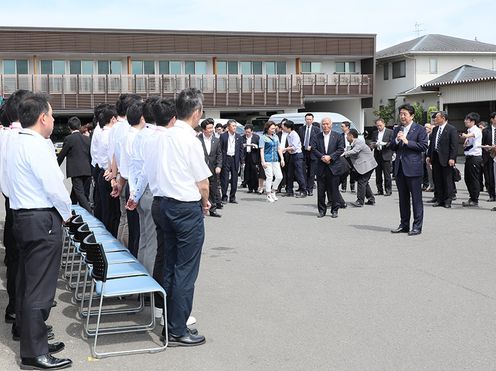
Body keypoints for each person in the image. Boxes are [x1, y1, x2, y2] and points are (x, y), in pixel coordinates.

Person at [5, 93, 72, 369]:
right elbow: (55, 186)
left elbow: (7, 185)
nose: (54, 120)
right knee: (39, 288)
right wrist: (67, 214)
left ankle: (34, 339)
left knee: (25, 283)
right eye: (53, 115)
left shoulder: (15, 142)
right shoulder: (37, 145)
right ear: (42, 117)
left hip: (21, 214)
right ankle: (35, 352)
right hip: (41, 217)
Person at [143, 88, 211, 346]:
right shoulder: (189, 140)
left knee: (170, 264)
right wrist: (205, 203)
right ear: (197, 113)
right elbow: (202, 183)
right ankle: (177, 329)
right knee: (185, 269)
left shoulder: (160, 137)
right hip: (184, 207)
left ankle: (169, 324)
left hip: (161, 204)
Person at [0, 90, 32, 329]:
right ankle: (22, 319)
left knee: (15, 263)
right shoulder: (24, 139)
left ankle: (15, 311)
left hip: (11, 204)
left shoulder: (5, 136)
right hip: (24, 206)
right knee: (23, 266)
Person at [390, 103, 428, 236]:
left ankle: (417, 226)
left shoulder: (420, 129)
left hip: (413, 168)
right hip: (400, 168)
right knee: (403, 199)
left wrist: (407, 142)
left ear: (412, 115)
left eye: (405, 114)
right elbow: (392, 146)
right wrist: (396, 140)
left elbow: (423, 146)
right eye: (401, 114)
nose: (402, 116)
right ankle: (404, 224)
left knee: (416, 199)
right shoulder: (397, 129)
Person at [311, 117, 346, 218]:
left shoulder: (338, 136)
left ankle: (335, 210)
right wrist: (322, 156)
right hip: (321, 166)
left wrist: (330, 157)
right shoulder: (317, 136)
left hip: (333, 166)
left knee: (334, 190)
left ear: (331, 125)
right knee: (321, 191)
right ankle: (322, 210)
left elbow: (340, 149)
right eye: (323, 124)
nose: (325, 126)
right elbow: (313, 148)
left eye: (327, 124)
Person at [57, 116, 92, 212]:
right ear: (80, 126)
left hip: (76, 171)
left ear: (69, 127)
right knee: (77, 193)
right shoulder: (87, 139)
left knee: (80, 194)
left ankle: (90, 213)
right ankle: (71, 211)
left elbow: (62, 155)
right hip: (87, 170)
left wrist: (55, 167)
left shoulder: (69, 139)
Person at [425, 111, 458, 208]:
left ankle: (448, 200)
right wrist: (429, 156)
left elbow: (454, 145)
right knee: (437, 180)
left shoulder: (451, 129)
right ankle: (439, 199)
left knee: (447, 180)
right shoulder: (435, 129)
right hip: (435, 158)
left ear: (443, 118)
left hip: (446, 158)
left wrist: (452, 158)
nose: (435, 119)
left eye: (437, 117)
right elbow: (432, 144)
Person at [342, 128, 377, 207]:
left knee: (362, 182)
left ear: (351, 136)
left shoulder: (358, 142)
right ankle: (371, 199)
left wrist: (344, 153)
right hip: (364, 166)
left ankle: (360, 201)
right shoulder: (354, 143)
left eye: (347, 136)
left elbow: (355, 151)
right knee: (364, 182)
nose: (346, 137)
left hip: (368, 166)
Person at [198, 118, 223, 217]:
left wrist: (219, 166)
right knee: (200, 189)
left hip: (212, 168)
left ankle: (213, 209)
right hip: (200, 169)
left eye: (212, 127)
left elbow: (219, 155)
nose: (211, 130)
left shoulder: (216, 140)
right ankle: (200, 210)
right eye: (209, 128)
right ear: (204, 129)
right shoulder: (197, 139)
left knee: (213, 189)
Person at [461, 112, 483, 207]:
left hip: (475, 157)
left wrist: (465, 136)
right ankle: (472, 197)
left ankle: (475, 199)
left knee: (474, 178)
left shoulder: (476, 130)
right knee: (467, 178)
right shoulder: (469, 130)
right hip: (469, 157)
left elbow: (472, 135)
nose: (465, 121)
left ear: (473, 121)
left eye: (467, 119)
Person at [259, 121, 284, 202]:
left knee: (279, 176)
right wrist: (263, 161)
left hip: (275, 159)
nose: (274, 130)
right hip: (267, 160)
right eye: (272, 128)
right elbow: (261, 150)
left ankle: (273, 191)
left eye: (274, 128)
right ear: (267, 128)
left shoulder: (276, 137)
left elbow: (279, 148)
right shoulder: (263, 137)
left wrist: (282, 158)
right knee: (269, 177)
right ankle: (268, 194)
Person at [219, 119, 243, 203]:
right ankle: (224, 196)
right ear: (228, 127)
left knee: (234, 179)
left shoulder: (239, 137)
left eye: (235, 126)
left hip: (234, 159)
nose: (235, 127)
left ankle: (232, 197)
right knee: (224, 179)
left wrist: (242, 161)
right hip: (226, 158)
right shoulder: (223, 136)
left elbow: (241, 150)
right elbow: (220, 149)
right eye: (233, 126)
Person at [282, 120, 307, 197]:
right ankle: (289, 190)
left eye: (284, 127)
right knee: (290, 173)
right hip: (292, 155)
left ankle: (303, 190)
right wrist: (288, 148)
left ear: (288, 127)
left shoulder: (294, 135)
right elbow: (291, 146)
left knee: (299, 173)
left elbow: (294, 147)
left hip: (297, 155)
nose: (283, 128)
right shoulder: (289, 134)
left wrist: (285, 149)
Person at [370, 118, 393, 196]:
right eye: (377, 126)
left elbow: (392, 142)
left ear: (384, 124)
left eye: (380, 125)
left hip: (386, 154)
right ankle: (380, 190)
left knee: (387, 174)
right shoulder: (375, 133)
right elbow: (372, 142)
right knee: (378, 174)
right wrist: (373, 144)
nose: (379, 127)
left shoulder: (390, 132)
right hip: (377, 154)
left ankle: (388, 190)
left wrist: (385, 143)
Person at [298, 113, 319, 196]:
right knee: (303, 171)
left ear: (312, 120)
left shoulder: (316, 129)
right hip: (303, 152)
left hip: (313, 153)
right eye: (307, 119)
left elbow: (318, 141)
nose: (308, 121)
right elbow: (299, 140)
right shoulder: (301, 129)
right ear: (305, 120)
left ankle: (310, 189)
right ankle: (304, 188)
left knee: (311, 172)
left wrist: (312, 146)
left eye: (310, 119)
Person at [241, 124, 260, 193]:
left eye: (249, 132)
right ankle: (250, 188)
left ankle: (256, 187)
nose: (247, 133)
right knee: (247, 172)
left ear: (252, 131)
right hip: (246, 156)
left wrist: (255, 146)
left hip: (254, 155)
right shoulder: (242, 137)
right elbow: (240, 148)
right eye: (246, 132)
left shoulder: (256, 137)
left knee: (254, 172)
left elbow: (259, 147)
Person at [481, 112, 496, 202]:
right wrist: (486, 147)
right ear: (492, 119)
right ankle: (492, 195)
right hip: (489, 155)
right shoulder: (486, 130)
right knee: (490, 176)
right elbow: (481, 143)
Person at [339, 121, 356, 193]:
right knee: (344, 170)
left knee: (352, 171)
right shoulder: (340, 135)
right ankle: (343, 187)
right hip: (343, 155)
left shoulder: (352, 134)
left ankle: (352, 187)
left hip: (351, 155)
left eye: (343, 126)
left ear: (347, 127)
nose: (341, 128)